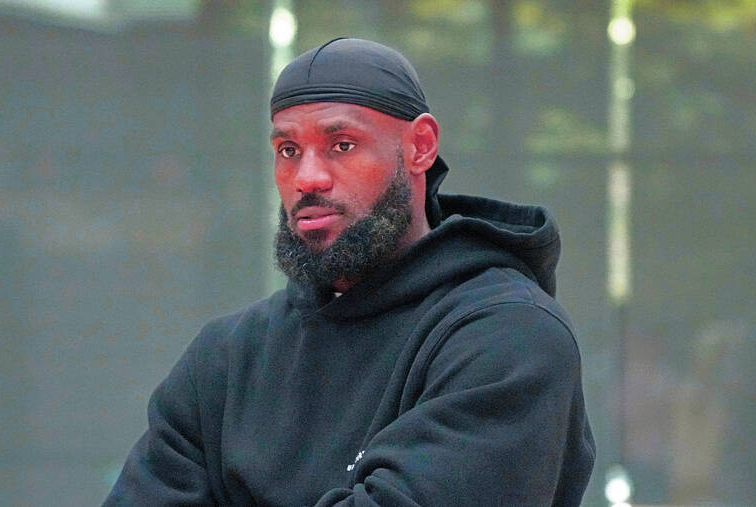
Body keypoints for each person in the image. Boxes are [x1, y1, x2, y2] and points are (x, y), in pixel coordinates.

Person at [104, 37, 595, 506]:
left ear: (420, 146)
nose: (307, 179)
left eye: (341, 145)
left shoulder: (508, 335)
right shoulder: (227, 357)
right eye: (288, 150)